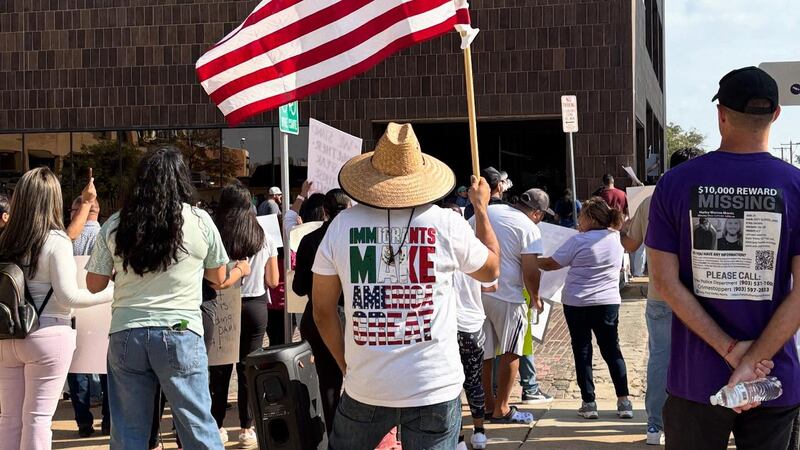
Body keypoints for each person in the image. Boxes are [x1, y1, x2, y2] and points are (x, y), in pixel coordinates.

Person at [311, 123, 500, 449]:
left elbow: (322, 310)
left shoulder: (342, 225)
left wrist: (347, 366)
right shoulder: (446, 223)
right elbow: (491, 270)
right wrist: (481, 209)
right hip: (433, 384)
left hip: (366, 384)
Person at [647, 66, 796, 450]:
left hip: (696, 377)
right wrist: (752, 360)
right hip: (773, 374)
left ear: (721, 114)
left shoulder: (675, 183)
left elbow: (663, 281)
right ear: (776, 115)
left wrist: (731, 352)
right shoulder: (795, 186)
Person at [85, 147, 229, 450]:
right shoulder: (200, 221)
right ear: (182, 180)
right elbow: (218, 278)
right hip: (181, 330)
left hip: (126, 333)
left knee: (128, 433)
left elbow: (94, 284)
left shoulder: (116, 223)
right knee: (198, 426)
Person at [0, 167, 113, 450]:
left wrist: (85, 203)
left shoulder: (6, 240)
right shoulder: (55, 240)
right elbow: (69, 297)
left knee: (9, 419)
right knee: (37, 419)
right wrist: (112, 291)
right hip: (48, 333)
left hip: (8, 335)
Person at [620, 147, 705, 445]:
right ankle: (699, 421)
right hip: (703, 296)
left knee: (660, 359)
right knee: (703, 358)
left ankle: (655, 425)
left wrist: (621, 228)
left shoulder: (652, 200)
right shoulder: (707, 199)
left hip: (661, 294)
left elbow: (631, 245)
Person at [539, 197, 633, 420]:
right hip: (608, 302)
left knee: (582, 351)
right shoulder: (616, 238)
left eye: (581, 216)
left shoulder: (578, 240)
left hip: (577, 303)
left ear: (591, 218)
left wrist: (530, 260)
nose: (578, 220)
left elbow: (552, 263)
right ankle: (624, 401)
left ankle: (589, 403)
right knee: (612, 350)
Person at [207, 181, 279, 448]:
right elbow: (273, 281)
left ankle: (216, 425)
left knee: (219, 368)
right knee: (249, 368)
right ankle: (247, 428)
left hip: (222, 304)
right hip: (255, 306)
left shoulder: (215, 235)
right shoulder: (264, 236)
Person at [479, 187, 551, 424]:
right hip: (508, 296)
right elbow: (530, 270)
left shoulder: (488, 211)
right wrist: (535, 297)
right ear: (537, 213)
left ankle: (487, 404)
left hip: (478, 292)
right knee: (512, 350)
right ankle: (501, 408)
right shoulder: (528, 227)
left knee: (485, 353)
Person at [294, 189, 352, 434]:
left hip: (316, 316)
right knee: (360, 379)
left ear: (324, 212)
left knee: (328, 382)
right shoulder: (355, 239)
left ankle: (333, 435)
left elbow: (298, 288)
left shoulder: (310, 240)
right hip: (351, 316)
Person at [442, 203, 489, 450]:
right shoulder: (474, 251)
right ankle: (479, 432)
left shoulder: (438, 251)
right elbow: (492, 284)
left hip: (447, 327)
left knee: (451, 387)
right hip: (472, 324)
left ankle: (458, 438)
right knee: (474, 381)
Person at [65, 195, 111, 438]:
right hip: (104, 306)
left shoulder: (67, 239)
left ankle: (83, 422)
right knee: (107, 367)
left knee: (77, 367)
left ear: (79, 210)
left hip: (74, 308)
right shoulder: (107, 235)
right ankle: (109, 420)